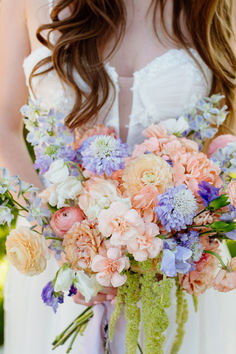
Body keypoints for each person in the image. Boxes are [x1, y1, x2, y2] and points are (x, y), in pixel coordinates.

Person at [0, 0, 236, 353]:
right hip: (60, 263)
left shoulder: (215, 7)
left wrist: (193, 230)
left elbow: (225, 132)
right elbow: (3, 128)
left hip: (171, 268)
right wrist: (64, 241)